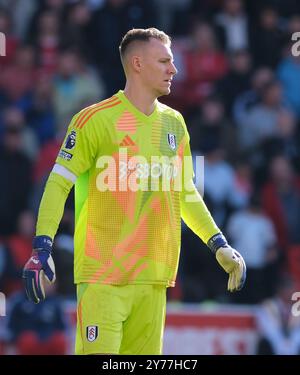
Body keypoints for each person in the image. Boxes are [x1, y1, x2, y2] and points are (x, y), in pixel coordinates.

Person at [23, 28, 246, 355]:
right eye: (165, 61)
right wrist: (42, 246)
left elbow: (184, 193)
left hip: (154, 280)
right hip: (103, 278)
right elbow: (58, 183)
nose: (174, 69)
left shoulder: (175, 124)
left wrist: (219, 243)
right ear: (138, 64)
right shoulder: (93, 120)